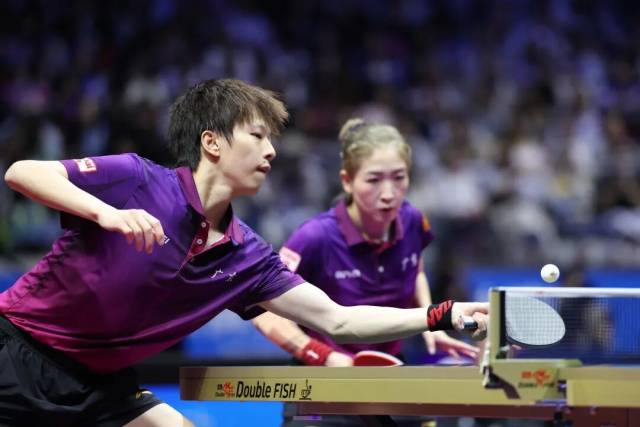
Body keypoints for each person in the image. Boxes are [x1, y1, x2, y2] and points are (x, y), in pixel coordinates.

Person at [2, 78, 488, 427]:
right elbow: (23, 172)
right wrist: (106, 213)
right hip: (18, 352)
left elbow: (340, 321)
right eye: (258, 135)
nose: (271, 151)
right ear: (212, 142)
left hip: (102, 384)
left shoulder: (247, 256)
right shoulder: (138, 180)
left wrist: (442, 314)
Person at [252, 119, 478, 426]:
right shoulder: (314, 237)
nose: (388, 193)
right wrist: (325, 356)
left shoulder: (412, 220)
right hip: (322, 386)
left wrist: (430, 323)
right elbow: (264, 311)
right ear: (347, 181)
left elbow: (415, 267)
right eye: (373, 180)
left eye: (399, 178)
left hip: (389, 378)